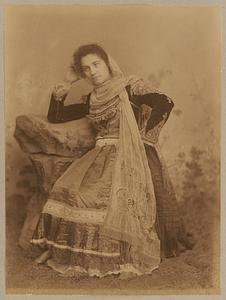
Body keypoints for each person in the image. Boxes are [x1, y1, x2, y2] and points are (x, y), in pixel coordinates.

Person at [31, 43, 193, 279]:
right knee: (67, 189)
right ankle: (59, 249)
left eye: (96, 64)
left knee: (104, 199)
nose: (93, 72)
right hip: (99, 157)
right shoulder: (91, 98)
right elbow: (56, 117)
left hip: (130, 155)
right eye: (86, 69)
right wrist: (66, 86)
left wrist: (143, 139)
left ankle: (119, 257)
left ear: (107, 62)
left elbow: (165, 102)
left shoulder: (129, 87)